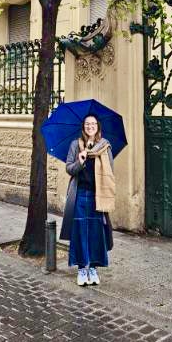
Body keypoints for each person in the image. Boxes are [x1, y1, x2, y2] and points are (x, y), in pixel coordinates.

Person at [59, 114, 115, 286]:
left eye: (93, 124)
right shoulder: (76, 145)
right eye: (87, 124)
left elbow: (110, 170)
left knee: (96, 232)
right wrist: (81, 160)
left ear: (97, 126)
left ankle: (94, 269)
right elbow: (69, 168)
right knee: (80, 230)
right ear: (83, 127)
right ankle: (82, 269)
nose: (90, 126)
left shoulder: (104, 146)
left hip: (98, 196)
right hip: (80, 194)